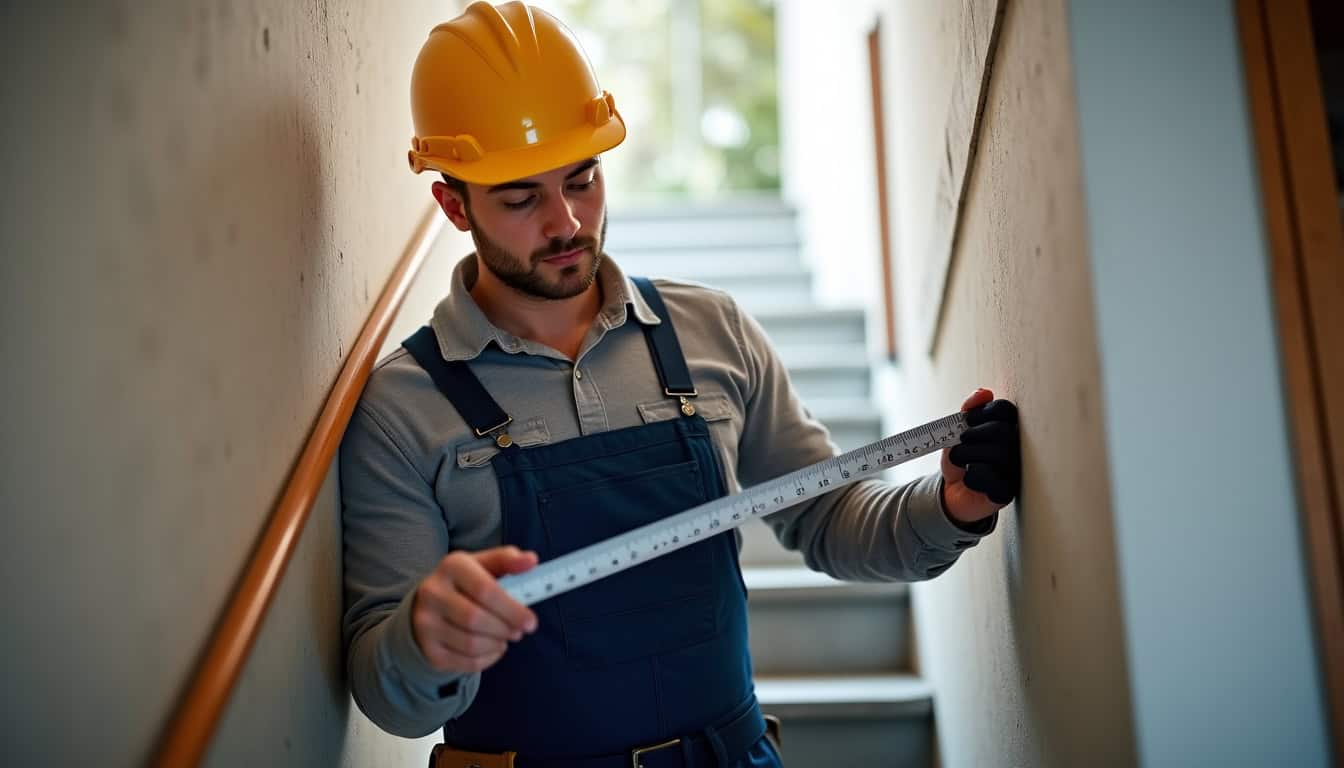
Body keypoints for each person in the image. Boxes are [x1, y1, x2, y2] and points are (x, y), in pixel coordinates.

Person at [340, 2, 1020, 766]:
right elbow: (382, 689)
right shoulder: (402, 407)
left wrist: (951, 505)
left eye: (583, 177)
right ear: (453, 204)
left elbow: (828, 517)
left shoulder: (711, 331)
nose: (567, 223)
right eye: (521, 197)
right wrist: (424, 642)